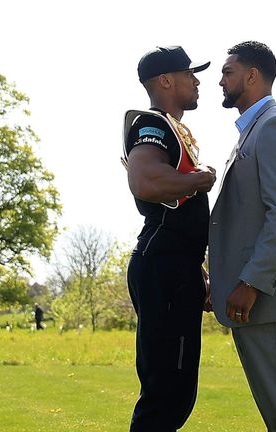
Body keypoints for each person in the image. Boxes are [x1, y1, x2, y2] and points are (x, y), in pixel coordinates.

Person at [208, 41, 276, 431]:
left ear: (252, 76)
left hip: (271, 299)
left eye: (228, 72)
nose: (220, 81)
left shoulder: (275, 127)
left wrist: (251, 282)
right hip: (259, 301)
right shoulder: (251, 131)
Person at [122, 45, 216, 432]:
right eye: (189, 74)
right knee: (165, 394)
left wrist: (198, 272)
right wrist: (198, 179)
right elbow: (144, 180)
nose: (196, 81)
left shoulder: (172, 128)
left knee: (176, 393)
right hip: (163, 267)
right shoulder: (152, 124)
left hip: (175, 267)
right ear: (165, 81)